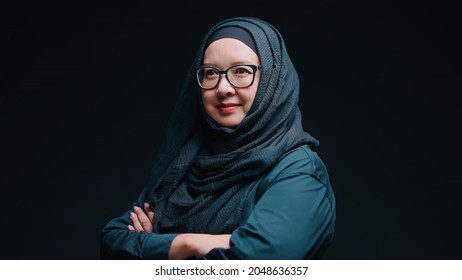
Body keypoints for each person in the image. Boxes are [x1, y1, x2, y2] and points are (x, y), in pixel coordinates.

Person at [100, 16, 336, 260]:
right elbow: (112, 241)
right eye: (211, 73)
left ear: (273, 82)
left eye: (242, 71)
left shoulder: (298, 172)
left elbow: (252, 264)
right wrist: (190, 244)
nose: (223, 88)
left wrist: (156, 245)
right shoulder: (183, 165)